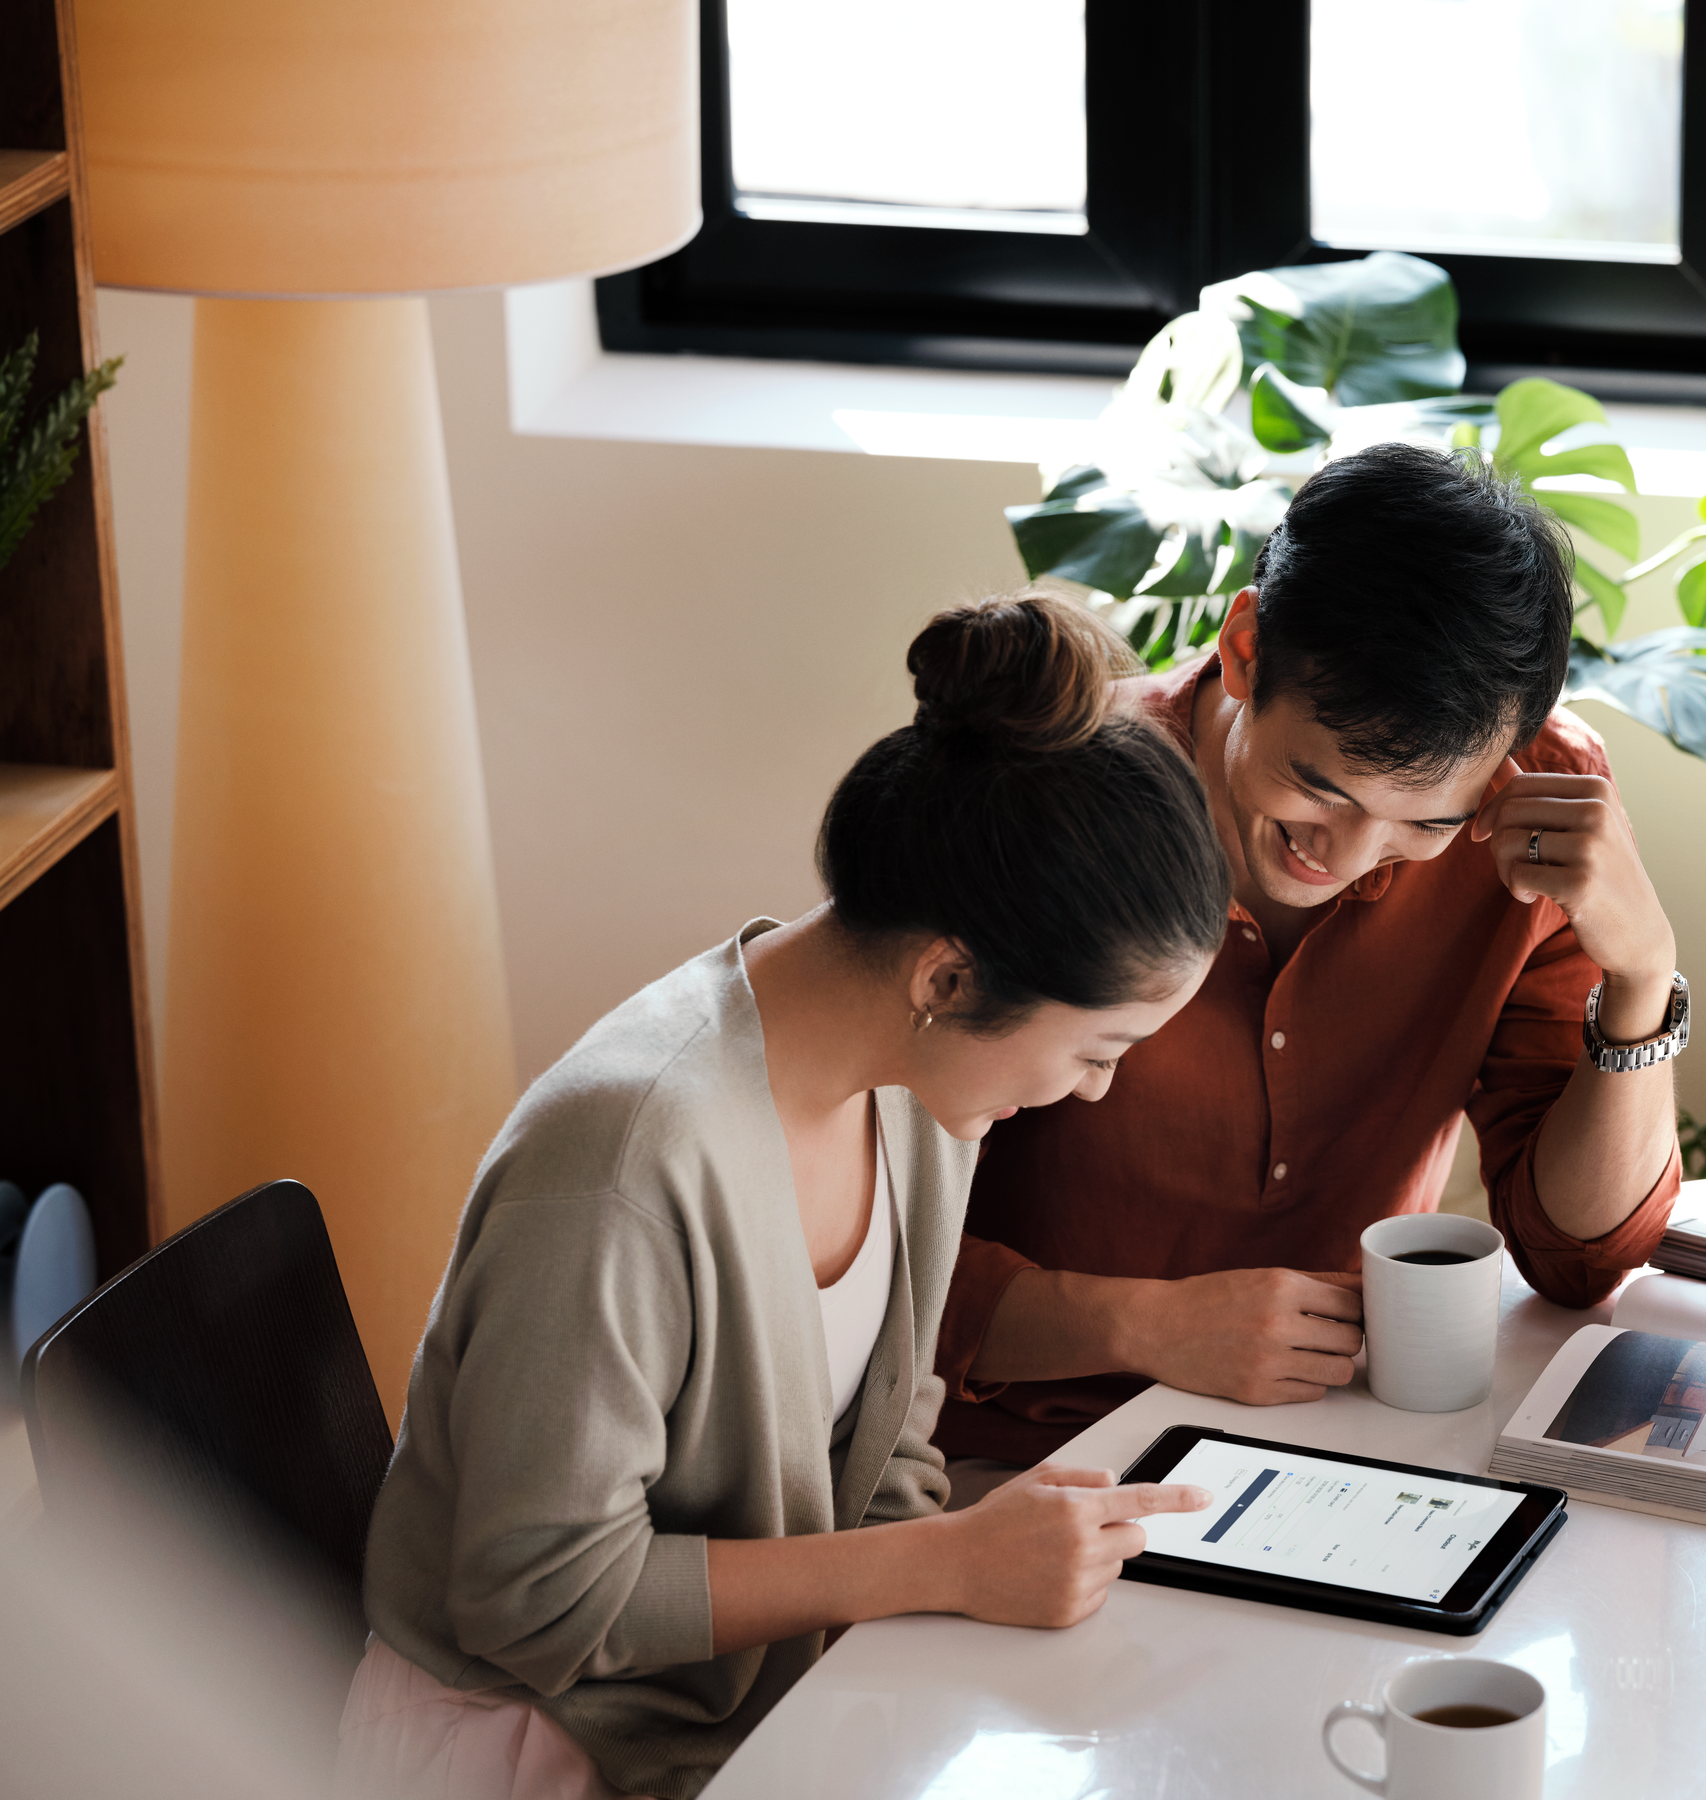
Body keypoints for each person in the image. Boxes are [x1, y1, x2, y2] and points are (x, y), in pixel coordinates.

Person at [342, 596, 1230, 1800]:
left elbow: (892, 1456)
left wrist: (960, 1562)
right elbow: (537, 1601)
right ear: (950, 975)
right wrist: (941, 1566)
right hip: (539, 1740)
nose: (1093, 1092)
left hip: (760, 1699)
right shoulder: (622, 1167)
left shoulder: (921, 1091)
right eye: (1096, 1049)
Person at [935, 442, 1687, 1473]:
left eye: (1422, 824)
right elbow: (854, 1255)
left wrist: (1642, 977)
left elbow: (1577, 1257)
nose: (1349, 853)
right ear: (1246, 650)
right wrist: (1138, 1326)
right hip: (1018, 1457)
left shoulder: (1534, 811)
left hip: (1346, 1450)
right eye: (1319, 787)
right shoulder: (1052, 798)